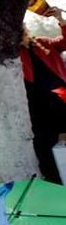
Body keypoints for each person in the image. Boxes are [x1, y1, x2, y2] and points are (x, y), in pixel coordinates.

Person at [19, 9, 66, 182]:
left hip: (60, 99)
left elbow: (64, 41)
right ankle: (55, 184)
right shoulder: (13, 55)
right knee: (45, 149)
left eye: (23, 28)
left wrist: (61, 20)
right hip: (38, 109)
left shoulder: (43, 43)